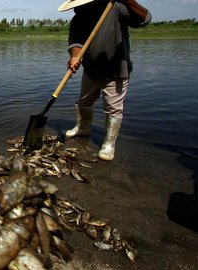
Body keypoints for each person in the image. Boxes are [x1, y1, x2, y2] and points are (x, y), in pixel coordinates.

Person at [59, 0, 151, 161]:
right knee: (84, 101)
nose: (77, 8)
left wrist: (128, 1)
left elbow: (145, 19)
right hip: (91, 68)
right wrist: (74, 55)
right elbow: (76, 41)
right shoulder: (79, 18)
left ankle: (109, 144)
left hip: (116, 68)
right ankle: (82, 128)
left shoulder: (116, 7)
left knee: (113, 108)